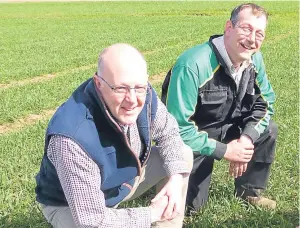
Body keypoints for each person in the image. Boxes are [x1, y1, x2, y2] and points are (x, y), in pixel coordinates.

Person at [35, 43, 193, 228]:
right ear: (98, 84)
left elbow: (169, 133)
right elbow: (91, 221)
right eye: (121, 89)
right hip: (70, 205)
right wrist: (151, 214)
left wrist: (175, 179)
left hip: (119, 182)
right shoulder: (71, 137)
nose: (132, 100)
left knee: (183, 154)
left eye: (139, 87)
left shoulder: (145, 94)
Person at [162, 3, 278, 213]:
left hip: (230, 125)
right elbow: (176, 129)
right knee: (192, 209)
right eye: (246, 29)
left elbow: (266, 102)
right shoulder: (193, 65)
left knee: (268, 129)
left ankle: (248, 191)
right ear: (228, 27)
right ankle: (162, 176)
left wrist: (246, 139)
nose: (252, 39)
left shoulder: (254, 59)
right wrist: (225, 151)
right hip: (196, 137)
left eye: (259, 34)